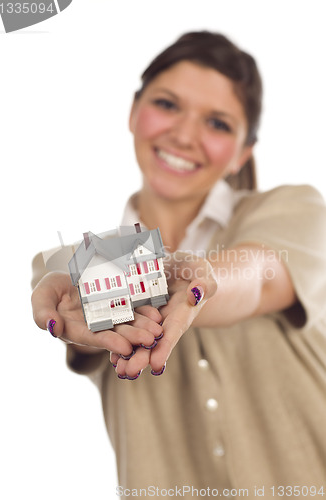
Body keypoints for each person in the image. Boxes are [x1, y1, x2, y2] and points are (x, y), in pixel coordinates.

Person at [31, 31, 326, 497]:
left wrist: (203, 281)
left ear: (242, 153)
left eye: (218, 124)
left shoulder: (297, 211)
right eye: (168, 105)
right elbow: (68, 299)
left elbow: (257, 278)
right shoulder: (74, 262)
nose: (185, 135)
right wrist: (79, 304)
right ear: (133, 111)